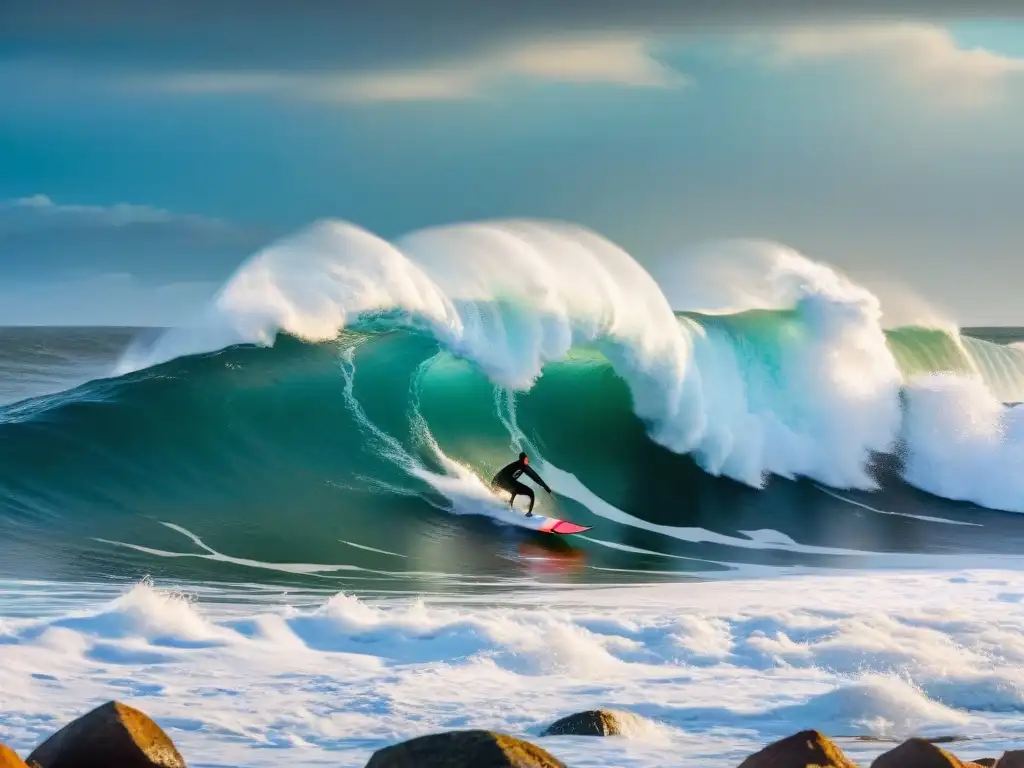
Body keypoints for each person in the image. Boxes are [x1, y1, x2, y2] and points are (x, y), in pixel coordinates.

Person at [491, 451, 552, 516]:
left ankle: (527, 512)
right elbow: (503, 476)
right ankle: (508, 506)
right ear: (522, 459)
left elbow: (536, 478)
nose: (528, 460)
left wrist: (546, 487)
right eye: (526, 459)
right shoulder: (516, 466)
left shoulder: (524, 467)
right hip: (499, 481)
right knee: (518, 490)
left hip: (502, 482)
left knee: (527, 492)